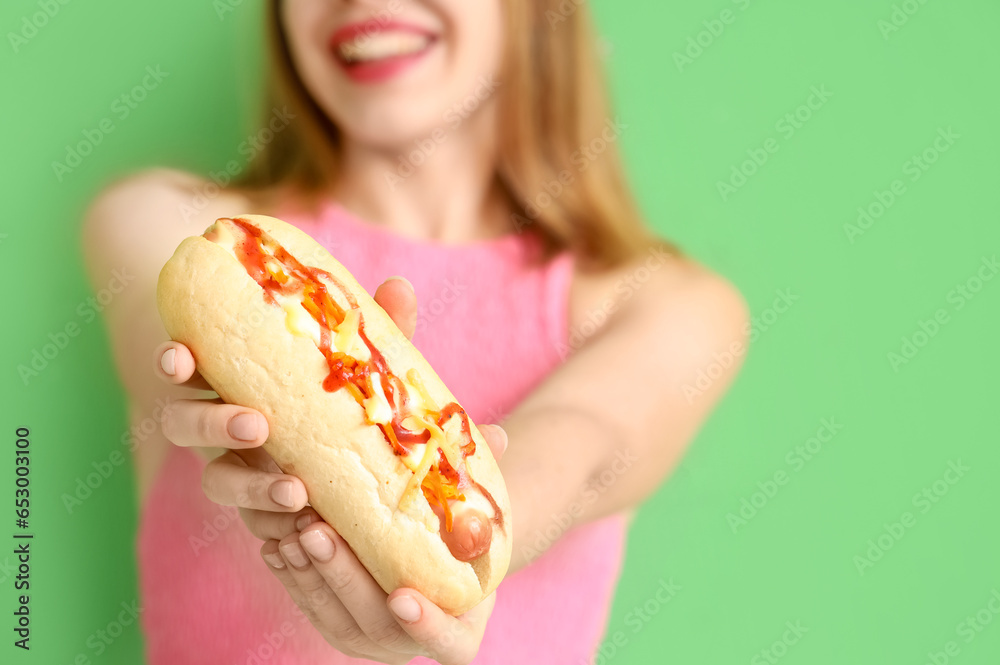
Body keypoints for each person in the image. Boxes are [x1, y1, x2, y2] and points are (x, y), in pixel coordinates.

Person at [80, 1, 748, 663]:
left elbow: (583, 451)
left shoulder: (668, 303)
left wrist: (458, 541)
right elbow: (161, 350)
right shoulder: (160, 221)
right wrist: (232, 408)